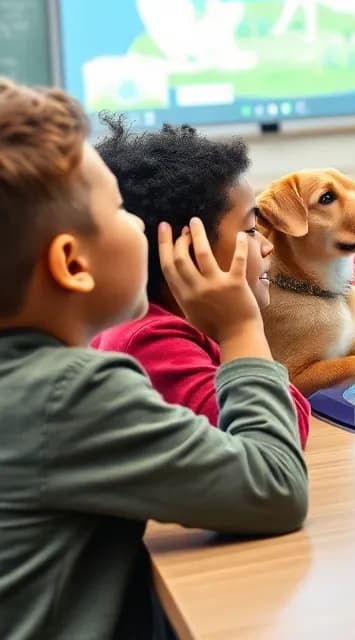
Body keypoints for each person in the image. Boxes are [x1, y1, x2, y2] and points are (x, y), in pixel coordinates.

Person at [0, 80, 308, 639]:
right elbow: (276, 487)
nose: (142, 228)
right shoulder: (72, 394)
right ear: (71, 263)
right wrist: (241, 327)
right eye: (120, 212)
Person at [92, 116, 311, 445]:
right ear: (191, 249)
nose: (267, 246)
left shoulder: (178, 326)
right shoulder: (150, 341)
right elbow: (284, 431)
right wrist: (241, 328)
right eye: (251, 230)